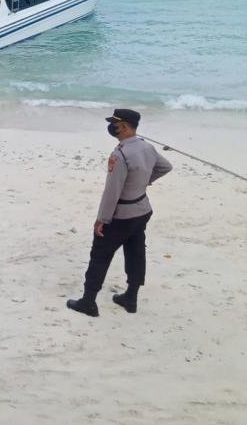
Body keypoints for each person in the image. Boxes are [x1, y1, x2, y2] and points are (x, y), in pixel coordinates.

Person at [67, 109, 173, 317]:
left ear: (123, 126)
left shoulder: (120, 154)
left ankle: (88, 302)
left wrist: (101, 219)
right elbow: (165, 167)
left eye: (114, 123)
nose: (111, 126)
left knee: (100, 255)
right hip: (142, 209)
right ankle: (131, 298)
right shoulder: (147, 147)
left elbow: (112, 191)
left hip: (122, 215)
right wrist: (144, 181)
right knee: (135, 252)